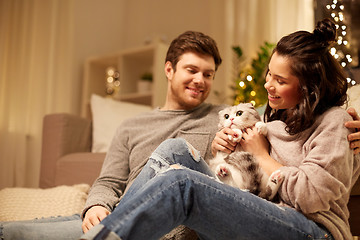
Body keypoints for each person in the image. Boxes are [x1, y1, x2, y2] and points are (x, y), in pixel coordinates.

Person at [0, 29, 359, 240]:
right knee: (12, 232)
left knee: (180, 180)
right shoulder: (132, 126)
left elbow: (322, 182)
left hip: (290, 224)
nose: (200, 81)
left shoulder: (229, 116)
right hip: (135, 209)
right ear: (168, 70)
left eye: (208, 74)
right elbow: (108, 181)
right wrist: (97, 204)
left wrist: (255, 153)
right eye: (191, 70)